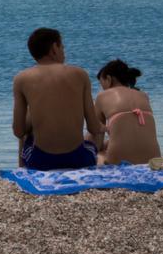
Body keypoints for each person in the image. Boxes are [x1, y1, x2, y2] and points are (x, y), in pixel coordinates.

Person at [12, 28, 103, 169]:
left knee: (26, 132)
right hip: (78, 160)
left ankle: (22, 170)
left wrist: (33, 116)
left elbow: (18, 131)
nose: (64, 52)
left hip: (40, 161)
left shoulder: (21, 79)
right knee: (95, 137)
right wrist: (106, 127)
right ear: (54, 48)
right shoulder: (80, 74)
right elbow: (93, 127)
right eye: (62, 47)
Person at [92, 59, 160, 165]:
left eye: (102, 84)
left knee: (97, 153)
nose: (102, 88)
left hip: (118, 163)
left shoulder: (102, 96)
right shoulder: (143, 95)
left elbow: (96, 137)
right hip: (153, 162)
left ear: (109, 79)